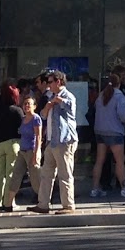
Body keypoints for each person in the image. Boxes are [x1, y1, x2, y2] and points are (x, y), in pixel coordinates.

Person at [32, 70, 78, 214]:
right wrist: (48, 106)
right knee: (46, 173)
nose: (49, 85)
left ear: (58, 82)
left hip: (64, 140)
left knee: (64, 173)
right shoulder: (50, 96)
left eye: (51, 82)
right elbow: (43, 116)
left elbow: (71, 109)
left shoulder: (68, 96)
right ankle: (43, 204)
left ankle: (68, 205)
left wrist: (61, 101)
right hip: (51, 141)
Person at [88, 76, 125, 198]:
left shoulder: (101, 95)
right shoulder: (119, 96)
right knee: (119, 161)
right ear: (119, 83)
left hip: (100, 131)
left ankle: (95, 188)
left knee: (99, 161)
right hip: (115, 132)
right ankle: (124, 187)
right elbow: (123, 116)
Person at [0, 93, 41, 211]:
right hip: (22, 151)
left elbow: (38, 137)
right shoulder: (23, 119)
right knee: (16, 176)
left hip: (31, 150)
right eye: (25, 104)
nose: (27, 106)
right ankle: (8, 204)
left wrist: (36, 153)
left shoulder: (36, 118)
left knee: (35, 177)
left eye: (29, 104)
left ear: (34, 106)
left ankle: (43, 201)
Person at [0, 84, 24, 211]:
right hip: (12, 143)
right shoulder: (17, 111)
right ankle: (8, 203)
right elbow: (22, 128)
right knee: (10, 174)